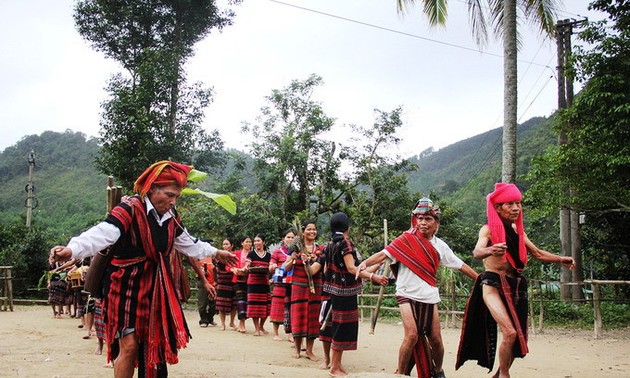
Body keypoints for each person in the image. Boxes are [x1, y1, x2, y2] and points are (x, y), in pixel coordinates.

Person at [49, 160, 237, 378]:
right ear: (152, 188)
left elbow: (188, 242)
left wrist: (216, 253)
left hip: (156, 289)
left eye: (176, 196)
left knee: (152, 343)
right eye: (169, 194)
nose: (173, 201)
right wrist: (71, 249)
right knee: (128, 346)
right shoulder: (129, 209)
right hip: (123, 287)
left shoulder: (172, 217)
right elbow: (101, 234)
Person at [456, 183, 575, 378]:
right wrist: (490, 250)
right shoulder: (487, 230)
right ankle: (505, 375)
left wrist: (560, 259)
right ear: (498, 208)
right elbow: (477, 252)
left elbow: (537, 253)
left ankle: (500, 374)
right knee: (509, 333)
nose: (516, 208)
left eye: (518, 203)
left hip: (515, 285)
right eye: (509, 204)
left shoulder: (518, 231)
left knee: (516, 336)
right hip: (492, 284)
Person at [357, 197, 478, 378]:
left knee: (436, 340)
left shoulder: (440, 246)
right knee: (412, 335)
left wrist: (480, 279)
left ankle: (438, 371)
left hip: (429, 295)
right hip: (406, 294)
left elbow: (460, 265)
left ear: (436, 223)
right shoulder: (405, 240)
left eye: (428, 219)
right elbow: (383, 255)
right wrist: (364, 264)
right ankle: (401, 373)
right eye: (419, 218)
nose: (422, 222)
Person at [318, 212, 387, 377]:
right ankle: (334, 367)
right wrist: (373, 276)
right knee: (342, 327)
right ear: (347, 227)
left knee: (339, 326)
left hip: (335, 291)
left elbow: (328, 269)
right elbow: (351, 268)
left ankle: (337, 364)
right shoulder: (345, 244)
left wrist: (376, 265)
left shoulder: (329, 245)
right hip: (344, 293)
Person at [285, 219, 324, 361]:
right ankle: (297, 349)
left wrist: (311, 259)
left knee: (312, 317)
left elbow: (319, 269)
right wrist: (293, 259)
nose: (312, 232)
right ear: (303, 231)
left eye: (314, 229)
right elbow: (286, 267)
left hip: (315, 286)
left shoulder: (320, 250)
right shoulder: (295, 247)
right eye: (309, 229)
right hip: (298, 285)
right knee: (298, 315)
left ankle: (309, 350)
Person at [268, 229, 296, 341]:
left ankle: (290, 334)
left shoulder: (297, 251)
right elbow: (270, 267)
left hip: (292, 283)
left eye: (292, 237)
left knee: (291, 307)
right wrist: (273, 266)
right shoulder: (277, 252)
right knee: (277, 307)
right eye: (288, 237)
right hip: (280, 283)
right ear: (283, 239)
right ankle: (275, 333)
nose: (290, 239)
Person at [245, 233, 272, 336]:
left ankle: (261, 326)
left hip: (264, 282)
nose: (256, 243)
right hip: (253, 282)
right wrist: (246, 267)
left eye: (258, 241)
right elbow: (247, 264)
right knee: (254, 305)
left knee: (266, 305)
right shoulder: (251, 254)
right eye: (255, 241)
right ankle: (256, 328)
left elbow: (270, 268)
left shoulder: (269, 255)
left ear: (264, 242)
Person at [192, 239, 218, 327]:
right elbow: (194, 267)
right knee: (202, 303)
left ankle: (210, 318)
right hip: (202, 282)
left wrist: (216, 281)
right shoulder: (198, 256)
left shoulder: (213, 257)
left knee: (214, 304)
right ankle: (203, 320)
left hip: (213, 282)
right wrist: (201, 273)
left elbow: (215, 270)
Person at [231, 235, 252, 333]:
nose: (248, 244)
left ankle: (241, 323)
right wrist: (233, 269)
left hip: (250, 281)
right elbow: (229, 265)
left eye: (250, 242)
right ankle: (242, 323)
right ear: (242, 243)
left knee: (247, 302)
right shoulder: (236, 254)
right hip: (238, 280)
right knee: (240, 302)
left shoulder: (253, 254)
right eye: (246, 241)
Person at [215, 238, 237, 331]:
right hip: (222, 282)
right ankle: (222, 324)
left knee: (234, 303)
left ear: (232, 245)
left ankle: (232, 322)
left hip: (232, 281)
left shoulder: (235, 256)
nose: (225, 246)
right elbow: (215, 269)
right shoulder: (218, 257)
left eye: (227, 244)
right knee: (221, 303)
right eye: (224, 244)